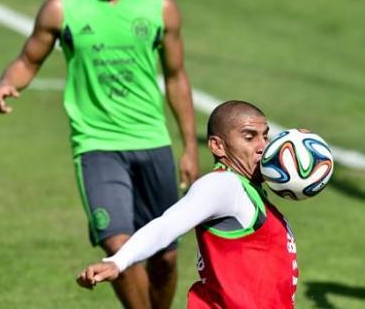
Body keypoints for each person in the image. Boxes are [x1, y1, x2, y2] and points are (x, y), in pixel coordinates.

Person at [0, 0, 199, 309]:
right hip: (96, 144)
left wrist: (189, 145)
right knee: (118, 246)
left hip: (152, 141)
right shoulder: (62, 8)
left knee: (166, 259)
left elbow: (176, 77)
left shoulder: (160, 8)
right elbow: (28, 59)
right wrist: (9, 82)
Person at [76, 100, 299, 309]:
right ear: (218, 146)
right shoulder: (223, 185)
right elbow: (167, 225)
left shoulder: (252, 192)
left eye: (265, 137)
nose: (263, 146)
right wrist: (119, 261)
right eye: (249, 137)